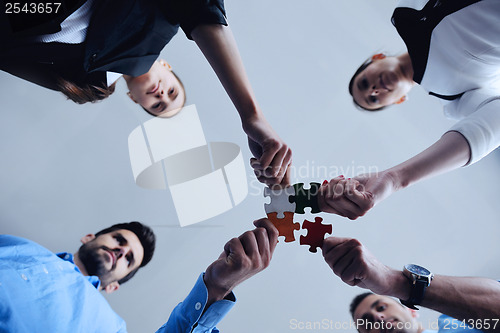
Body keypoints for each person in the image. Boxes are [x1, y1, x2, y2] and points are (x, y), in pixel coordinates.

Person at [0, 0, 291, 185]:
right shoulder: (162, 21)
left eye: (157, 106)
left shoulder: (84, 83)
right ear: (166, 66)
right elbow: (202, 9)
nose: (162, 96)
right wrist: (251, 114)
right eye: (172, 92)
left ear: (133, 99)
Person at [317, 0, 500, 219]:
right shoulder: (457, 99)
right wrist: (393, 178)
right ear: (400, 100)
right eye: (374, 100)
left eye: (365, 83)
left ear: (377, 58)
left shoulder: (407, 10)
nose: (373, 91)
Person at [0, 218, 278, 332]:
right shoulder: (18, 246)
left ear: (113, 288)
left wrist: (214, 288)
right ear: (88, 238)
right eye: (119, 240)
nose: (122, 251)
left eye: (130, 260)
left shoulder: (110, 327)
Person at [321, 236, 500, 332]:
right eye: (367, 325)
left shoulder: (455, 321)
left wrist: (395, 282)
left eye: (382, 307)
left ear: (412, 311)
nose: (377, 318)